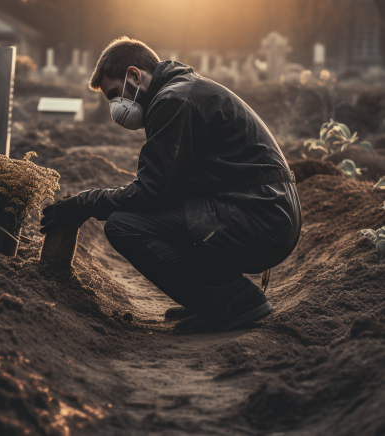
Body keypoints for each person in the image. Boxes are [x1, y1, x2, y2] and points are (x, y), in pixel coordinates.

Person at [40, 37, 302, 334]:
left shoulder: (173, 101)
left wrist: (85, 203)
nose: (115, 108)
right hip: (266, 210)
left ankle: (234, 300)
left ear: (135, 75)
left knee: (124, 226)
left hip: (260, 216)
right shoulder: (181, 92)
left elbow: (153, 191)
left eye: (115, 94)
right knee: (159, 216)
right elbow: (169, 187)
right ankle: (209, 297)